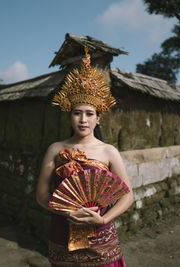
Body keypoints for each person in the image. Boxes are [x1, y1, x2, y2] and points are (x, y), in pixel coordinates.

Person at [36, 47, 134, 267]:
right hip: (63, 234)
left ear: (98, 118)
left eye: (89, 114)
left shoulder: (109, 151)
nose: (83, 119)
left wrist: (103, 219)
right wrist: (66, 210)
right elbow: (42, 195)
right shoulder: (55, 149)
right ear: (70, 115)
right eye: (77, 112)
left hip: (101, 237)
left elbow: (127, 196)